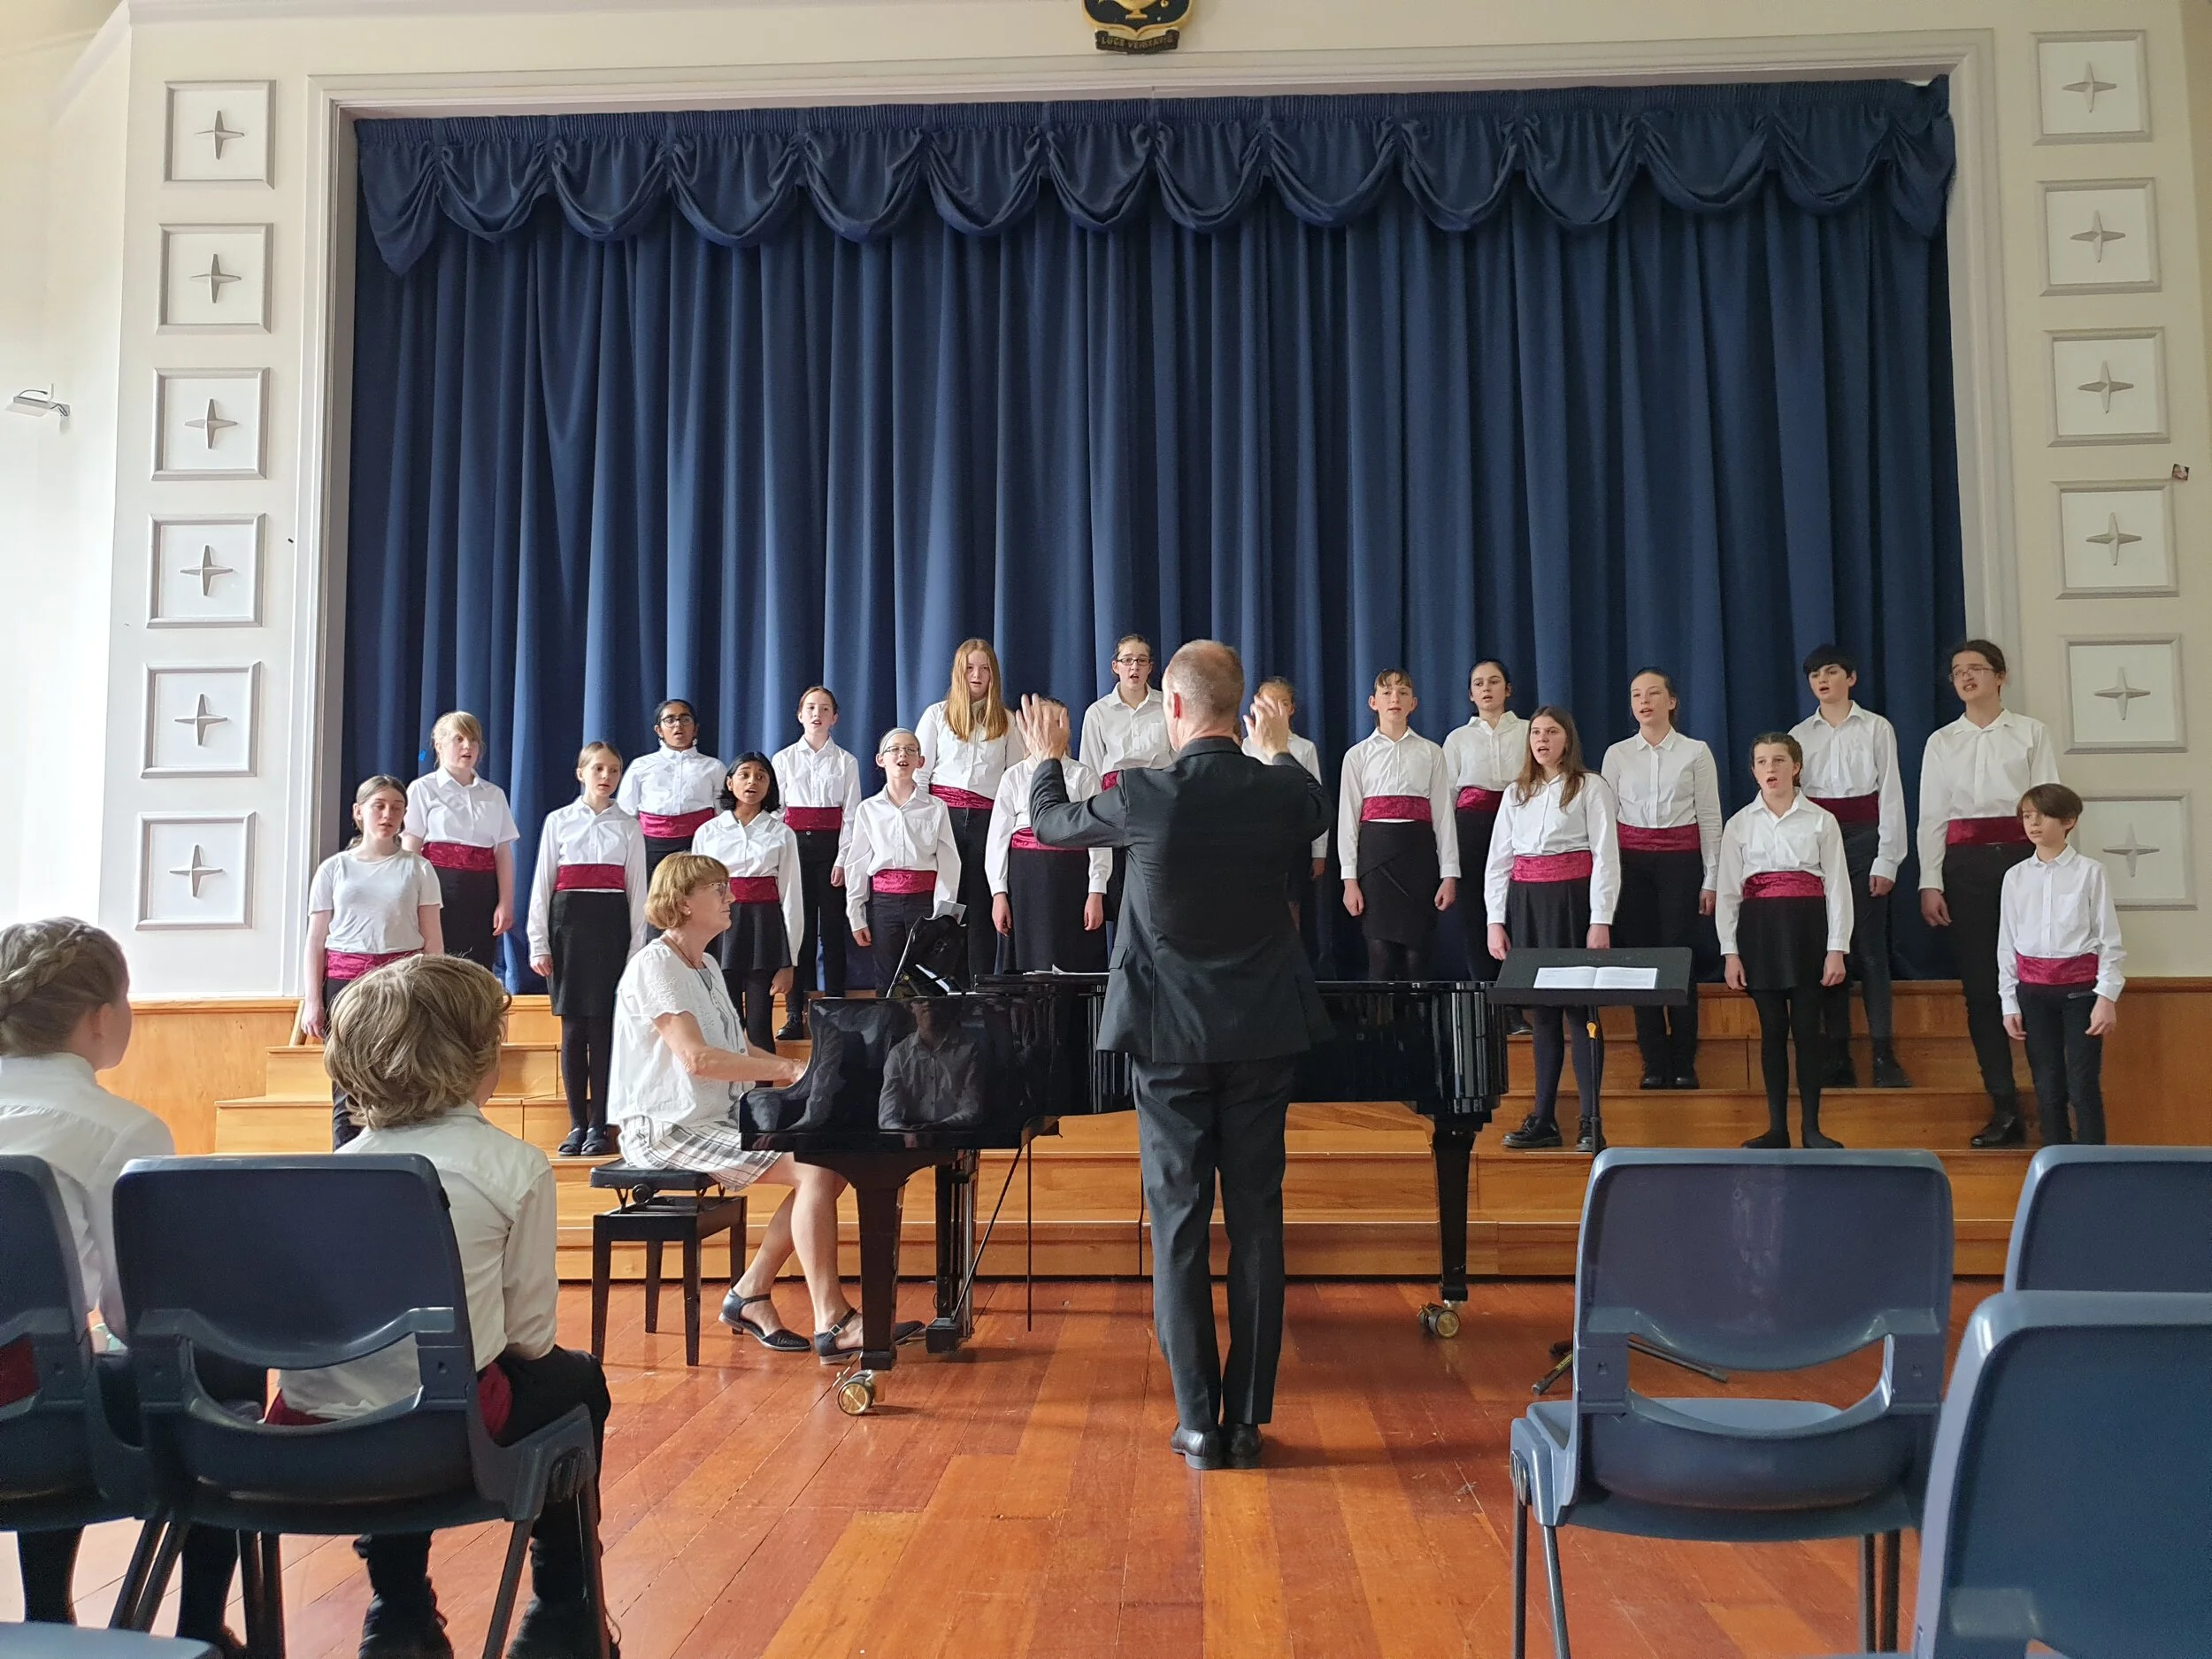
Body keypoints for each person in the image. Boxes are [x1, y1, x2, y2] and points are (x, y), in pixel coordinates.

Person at [1025, 642, 1332, 1472]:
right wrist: (1271, 747)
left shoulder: (1146, 793)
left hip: (1167, 1041)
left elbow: (1051, 825)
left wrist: (1049, 761)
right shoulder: (1279, 790)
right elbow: (1311, 804)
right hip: (1263, 1034)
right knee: (1259, 1223)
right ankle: (1249, 1421)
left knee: (1180, 1225)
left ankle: (1198, 1421)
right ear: (1241, 710)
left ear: (1172, 707)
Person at [266, 956, 612, 1659]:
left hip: (302, 1439)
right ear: (478, 1058)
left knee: (390, 1384)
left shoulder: (318, 1175)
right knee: (575, 1381)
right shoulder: (512, 1167)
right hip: (444, 1437)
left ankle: (396, 1611)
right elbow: (529, 1341)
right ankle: (562, 1610)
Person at [0, 919, 245, 1653]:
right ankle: (199, 1624)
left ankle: (49, 1610)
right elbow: (138, 1314)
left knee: (58, 1361)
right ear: (102, 1018)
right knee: (216, 1374)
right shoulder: (119, 1129)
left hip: (27, 1394)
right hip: (36, 1420)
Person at [611, 855, 918, 1358]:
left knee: (831, 1164)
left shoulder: (706, 964)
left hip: (714, 1115)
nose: (732, 898)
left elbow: (737, 1048)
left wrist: (805, 1067)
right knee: (818, 1170)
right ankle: (832, 1321)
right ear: (684, 902)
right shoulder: (656, 966)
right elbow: (696, 1058)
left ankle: (750, 1292)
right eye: (719, 890)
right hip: (665, 1127)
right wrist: (788, 1073)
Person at [1917, 640, 2061, 1147]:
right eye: (1958, 671)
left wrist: (2053, 871)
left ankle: (2052, 1105)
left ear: (2001, 676)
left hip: (2023, 861)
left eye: (1976, 669)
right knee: (1981, 987)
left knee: (2039, 979)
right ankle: (2004, 1108)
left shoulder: (2029, 733)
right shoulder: (1942, 742)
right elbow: (1933, 816)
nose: (1966, 677)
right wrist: (1930, 880)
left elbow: (2050, 803)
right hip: (1966, 868)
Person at [1488, 708, 1620, 1155]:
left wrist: (1599, 919)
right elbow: (1499, 863)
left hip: (1572, 903)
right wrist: (1495, 921)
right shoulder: (1515, 793)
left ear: (1568, 739)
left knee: (1581, 1012)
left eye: (1552, 732)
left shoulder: (1590, 786)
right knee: (1542, 1014)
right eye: (1536, 733)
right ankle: (1544, 1118)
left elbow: (1605, 856)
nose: (1542, 740)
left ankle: (1591, 1121)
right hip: (1527, 905)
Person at [1717, 734, 1853, 1150]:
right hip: (1759, 933)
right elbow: (1727, 892)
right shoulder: (1740, 823)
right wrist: (1730, 952)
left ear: (1796, 766)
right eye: (1761, 761)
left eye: (1779, 760)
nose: (1770, 769)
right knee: (1772, 1030)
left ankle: (1812, 1128)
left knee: (1808, 1030)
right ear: (1754, 770)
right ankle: (1779, 1128)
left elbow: (1839, 888)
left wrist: (1837, 948)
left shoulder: (1821, 820)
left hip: (1809, 930)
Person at [1791, 646, 1912, 1088]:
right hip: (1817, 844)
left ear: (1851, 678)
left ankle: (1883, 1054)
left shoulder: (1877, 728)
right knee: (1828, 946)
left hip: (1865, 840)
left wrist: (1888, 857)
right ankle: (1836, 1055)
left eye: (1832, 672)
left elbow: (1892, 795)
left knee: (1869, 948)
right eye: (1814, 675)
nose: (1822, 681)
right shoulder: (1799, 734)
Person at [307, 774, 447, 1148]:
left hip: (402, 981)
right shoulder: (334, 869)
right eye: (379, 806)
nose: (388, 815)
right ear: (358, 812)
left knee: (401, 1072)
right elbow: (316, 940)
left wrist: (437, 993)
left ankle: (396, 1155)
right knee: (346, 1077)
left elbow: (433, 939)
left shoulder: (418, 869)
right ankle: (345, 1158)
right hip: (346, 982)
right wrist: (312, 1000)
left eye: (397, 808)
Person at [1600, 668, 1720, 1090]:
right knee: (1640, 963)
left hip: (1681, 865)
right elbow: (1606, 822)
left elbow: (1709, 818)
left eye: (1653, 694)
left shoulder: (1696, 752)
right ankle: (1653, 1061)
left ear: (1672, 702)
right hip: (1632, 867)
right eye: (1636, 695)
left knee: (1679, 961)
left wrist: (1712, 879)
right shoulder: (1617, 754)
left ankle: (1685, 1060)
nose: (1644, 701)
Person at [525, 742, 648, 1156]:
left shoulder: (629, 826)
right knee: (574, 1030)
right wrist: (538, 942)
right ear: (581, 773)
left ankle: (601, 1125)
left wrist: (636, 950)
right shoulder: (559, 821)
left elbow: (637, 892)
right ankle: (576, 1123)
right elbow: (542, 885)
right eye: (598, 768)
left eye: (614, 770)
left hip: (610, 931)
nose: (606, 777)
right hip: (568, 932)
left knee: (605, 1030)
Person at [1999, 784, 2124, 1147]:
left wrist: (2106, 997)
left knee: (2082, 1084)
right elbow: (2006, 944)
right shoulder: (2015, 877)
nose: (2034, 823)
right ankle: (2055, 1162)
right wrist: (2009, 1001)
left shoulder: (2090, 872)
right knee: (2047, 1084)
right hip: (2033, 993)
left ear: (2069, 821)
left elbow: (2109, 941)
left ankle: (2094, 1165)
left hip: (2081, 992)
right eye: (2027, 816)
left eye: (2043, 815)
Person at [916, 639, 1027, 981]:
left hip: (987, 822)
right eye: (970, 668)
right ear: (958, 673)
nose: (977, 675)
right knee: (946, 906)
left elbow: (1015, 779)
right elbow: (921, 773)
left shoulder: (1007, 722)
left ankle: (978, 992)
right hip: (944, 818)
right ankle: (940, 993)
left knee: (980, 908)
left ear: (994, 674)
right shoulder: (937, 715)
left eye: (984, 668)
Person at [1338, 670, 1459, 979]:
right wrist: (1349, 880)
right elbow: (1348, 821)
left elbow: (1444, 816)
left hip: (1418, 860)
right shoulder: (1357, 756)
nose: (1395, 698)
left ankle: (1417, 1027)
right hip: (1375, 863)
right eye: (1388, 692)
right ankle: (1383, 1028)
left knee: (1418, 957)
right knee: (1380, 958)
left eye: (1403, 692)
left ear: (1414, 703)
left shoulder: (1431, 753)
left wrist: (1449, 874)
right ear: (1373, 702)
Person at [690, 754, 803, 1052]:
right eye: (744, 774)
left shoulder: (782, 833)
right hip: (720, 932)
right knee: (722, 1022)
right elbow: (696, 893)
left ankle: (763, 1097)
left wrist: (789, 960)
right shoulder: (708, 833)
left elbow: (791, 898)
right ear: (730, 782)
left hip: (763, 932)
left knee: (758, 1024)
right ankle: (728, 1098)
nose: (752, 781)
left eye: (761, 776)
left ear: (770, 786)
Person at [771, 686, 860, 1041]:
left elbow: (851, 815)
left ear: (835, 718)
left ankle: (836, 1007)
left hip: (832, 851)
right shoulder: (783, 760)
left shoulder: (846, 762)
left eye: (825, 708)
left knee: (833, 932)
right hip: (795, 850)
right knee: (799, 933)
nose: (817, 714)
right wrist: (782, 859)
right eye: (810, 707)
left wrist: (843, 859)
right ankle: (796, 1013)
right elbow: (776, 812)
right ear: (799, 714)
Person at [986, 717, 1110, 972]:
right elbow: (997, 840)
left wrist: (1096, 891)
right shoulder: (1014, 776)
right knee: (1026, 966)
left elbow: (1098, 838)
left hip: (1072, 880)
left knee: (1074, 961)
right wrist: (999, 894)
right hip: (1025, 882)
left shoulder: (1082, 776)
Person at [402, 711, 519, 974]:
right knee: (439, 966)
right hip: (438, 890)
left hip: (482, 892)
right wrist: (412, 898)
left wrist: (505, 902)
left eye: (474, 740)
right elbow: (412, 849)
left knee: (478, 968)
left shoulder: (494, 794)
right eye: (459, 739)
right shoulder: (423, 789)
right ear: (439, 745)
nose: (468, 746)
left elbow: (502, 852)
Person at [845, 729, 963, 990]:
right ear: (880, 759)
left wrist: (943, 913)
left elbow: (949, 861)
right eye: (895, 749)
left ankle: (927, 1032)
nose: (903, 755)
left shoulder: (935, 807)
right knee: (887, 979)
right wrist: (856, 915)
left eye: (911, 750)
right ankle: (891, 1032)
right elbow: (857, 863)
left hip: (924, 903)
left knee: (926, 979)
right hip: (884, 905)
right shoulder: (868, 809)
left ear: (921, 761)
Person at [1441, 659, 1527, 987]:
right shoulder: (1458, 739)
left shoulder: (1528, 730)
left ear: (1507, 689)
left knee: (1516, 907)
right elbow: (1446, 796)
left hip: (1520, 825)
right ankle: (1488, 997)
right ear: (1470, 694)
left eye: (1494, 682)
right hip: (1472, 828)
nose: (1486, 689)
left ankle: (1519, 991)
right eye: (1479, 684)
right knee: (1474, 911)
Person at [1079, 634, 1173, 922]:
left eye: (1141, 661)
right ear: (1115, 667)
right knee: (1119, 889)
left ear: (1150, 667)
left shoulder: (1167, 706)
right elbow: (1090, 770)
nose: (1134, 667)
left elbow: (1179, 758)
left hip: (1158, 802)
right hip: (1115, 806)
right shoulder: (1098, 712)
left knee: (1158, 888)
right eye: (1127, 660)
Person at [1240, 677, 1329, 964]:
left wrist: (1319, 852)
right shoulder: (1244, 746)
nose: (1274, 709)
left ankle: (1290, 968)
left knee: (1291, 907)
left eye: (1282, 703)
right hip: (1253, 844)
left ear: (1291, 709)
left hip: (1292, 840)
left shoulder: (1304, 748)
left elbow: (1316, 802)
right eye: (1267, 703)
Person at [616, 698, 725, 877]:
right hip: (651, 847)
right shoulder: (641, 766)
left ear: (695, 728)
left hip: (698, 844)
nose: (678, 726)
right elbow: (625, 814)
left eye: (685, 719)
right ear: (659, 730)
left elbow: (723, 815)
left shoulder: (714, 767)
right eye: (670, 720)